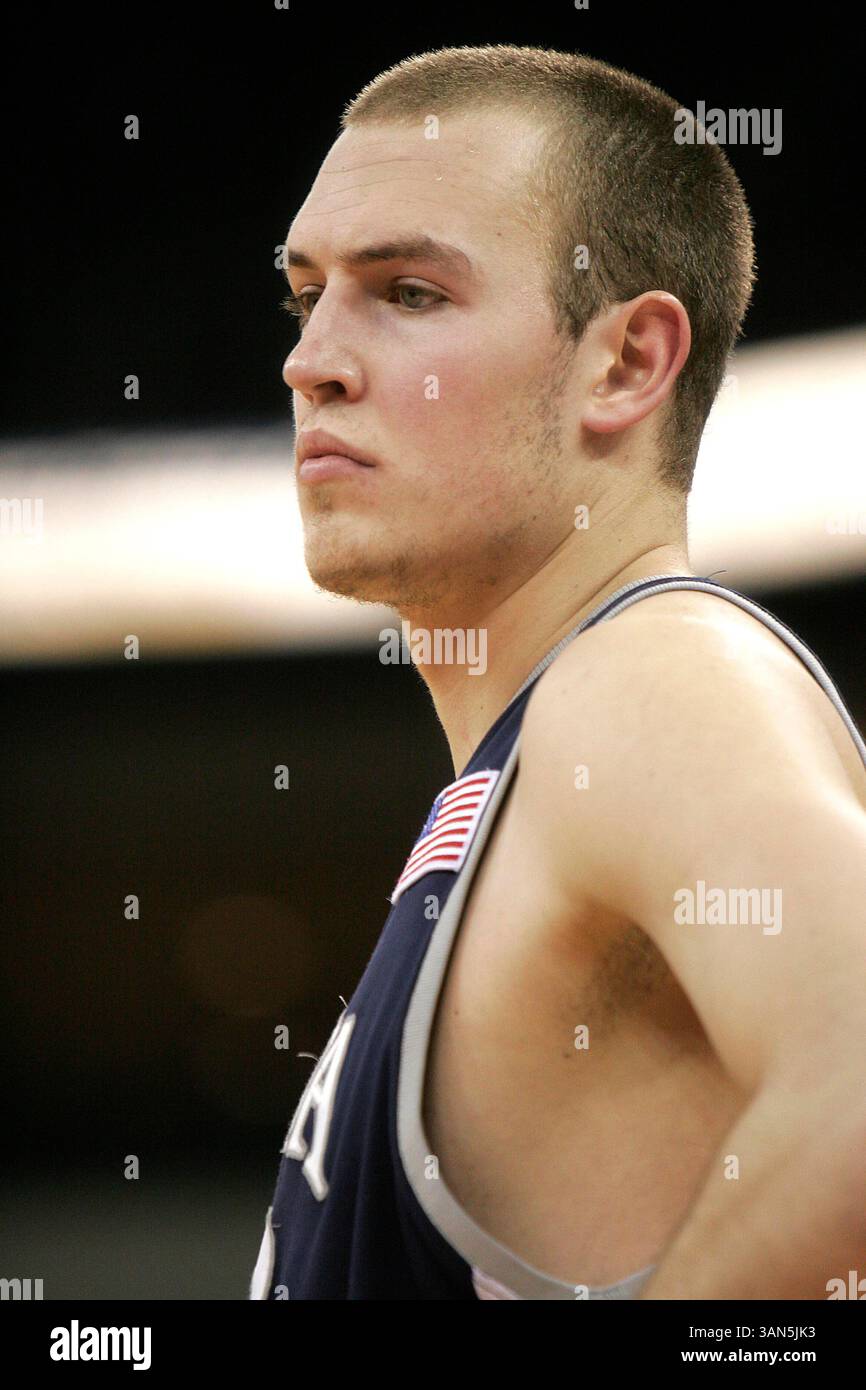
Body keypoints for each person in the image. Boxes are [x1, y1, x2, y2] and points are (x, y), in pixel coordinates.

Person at [250, 45, 866, 1299]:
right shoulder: (522, 772)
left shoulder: (650, 675)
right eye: (304, 295)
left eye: (408, 291)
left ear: (627, 363)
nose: (309, 359)